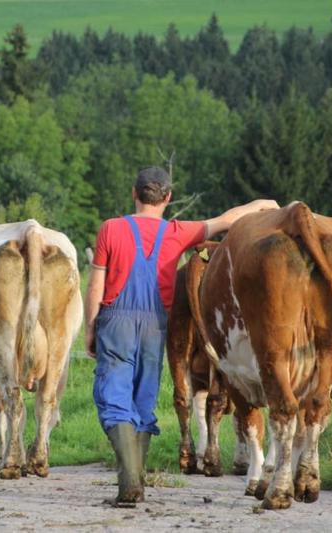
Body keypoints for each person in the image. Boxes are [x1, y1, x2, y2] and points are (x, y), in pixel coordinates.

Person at [84, 166, 278, 507]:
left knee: (114, 397)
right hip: (155, 323)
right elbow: (225, 220)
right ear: (168, 197)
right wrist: (262, 204)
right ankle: (136, 480)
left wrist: (90, 327)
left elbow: (96, 284)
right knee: (143, 399)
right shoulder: (176, 232)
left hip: (115, 320)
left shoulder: (110, 228)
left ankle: (130, 482)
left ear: (134, 193)